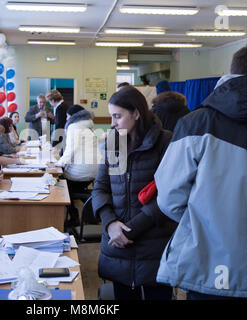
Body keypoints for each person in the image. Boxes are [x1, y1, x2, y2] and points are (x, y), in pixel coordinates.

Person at [154, 43, 247, 300]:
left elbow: (169, 197)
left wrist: (205, 223)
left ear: (231, 72)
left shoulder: (195, 122)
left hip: (208, 266)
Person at [92, 86, 177, 300]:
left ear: (136, 113)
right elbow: (100, 188)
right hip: (117, 243)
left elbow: (170, 195)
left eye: (117, 116)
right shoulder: (114, 143)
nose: (112, 123)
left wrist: (130, 230)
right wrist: (110, 224)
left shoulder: (166, 142)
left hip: (153, 244)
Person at [56, 105, 99, 226]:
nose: (66, 118)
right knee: (77, 189)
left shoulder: (73, 126)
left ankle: (74, 218)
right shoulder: (88, 127)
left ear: (72, 116)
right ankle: (93, 214)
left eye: (67, 115)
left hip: (81, 173)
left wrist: (58, 163)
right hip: (94, 173)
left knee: (60, 187)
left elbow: (71, 150)